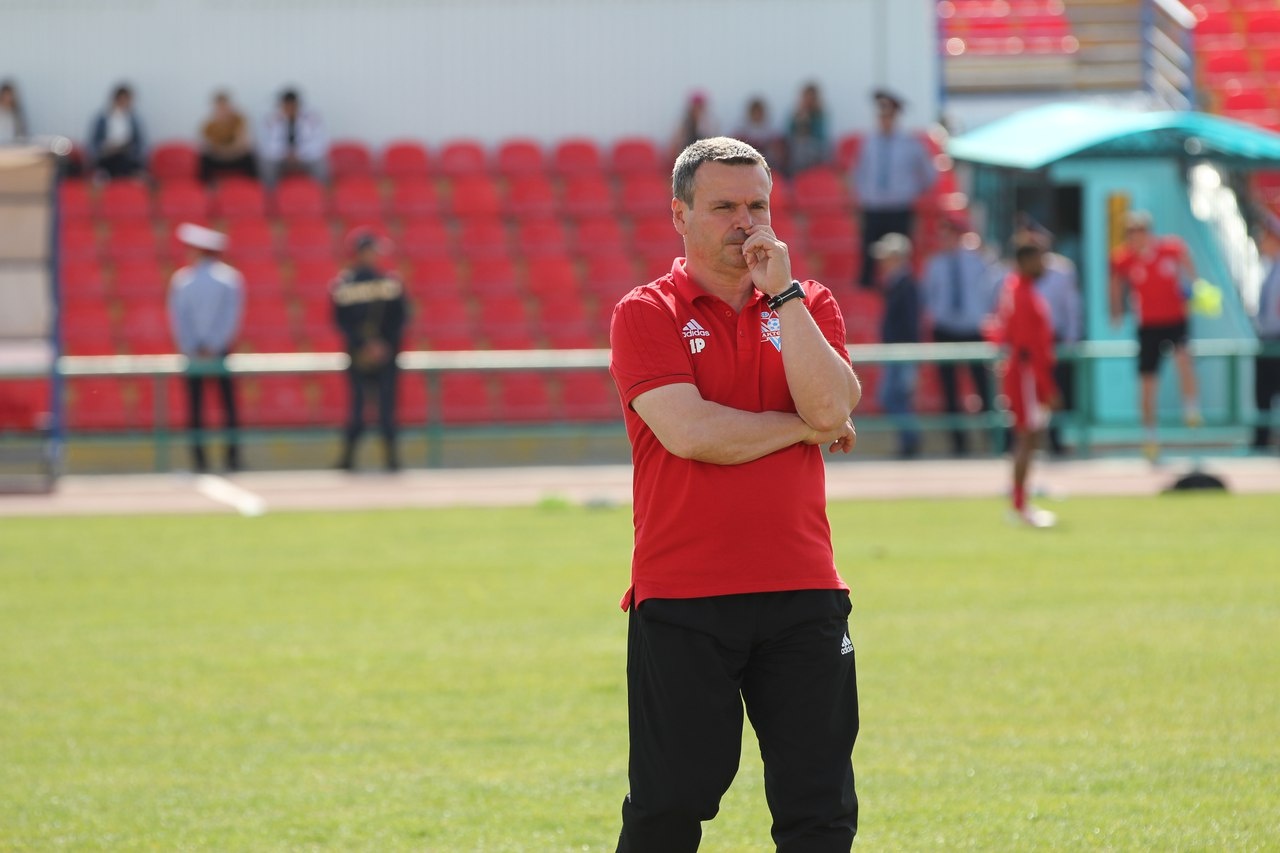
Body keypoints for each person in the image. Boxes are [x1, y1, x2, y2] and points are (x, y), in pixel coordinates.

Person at [609, 136, 861, 851]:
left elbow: (833, 403)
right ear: (679, 215)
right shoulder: (645, 311)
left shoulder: (808, 302)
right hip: (685, 594)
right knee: (669, 806)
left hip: (804, 588)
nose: (746, 223)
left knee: (820, 808)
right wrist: (804, 428)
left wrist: (784, 295)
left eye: (759, 206)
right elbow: (693, 433)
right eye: (724, 207)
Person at [1108, 209, 1202, 462]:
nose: (1135, 237)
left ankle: (1191, 408)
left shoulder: (1170, 248)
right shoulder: (1124, 258)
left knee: (1184, 360)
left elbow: (1188, 264)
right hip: (1148, 326)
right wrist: (1116, 310)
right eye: (1131, 233)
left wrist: (1194, 287)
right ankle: (1150, 437)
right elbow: (1115, 283)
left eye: (1139, 231)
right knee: (1147, 383)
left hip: (1175, 320)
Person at [986, 239, 1060, 528]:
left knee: (1029, 438)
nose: (1043, 264)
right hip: (1027, 374)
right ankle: (1019, 505)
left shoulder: (1017, 289)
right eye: (1038, 258)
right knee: (1026, 438)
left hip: (1025, 372)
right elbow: (1029, 346)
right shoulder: (1021, 292)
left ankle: (1021, 502)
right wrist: (1047, 387)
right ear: (1025, 261)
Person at [167, 223, 244, 473]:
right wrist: (215, 345)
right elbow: (230, 318)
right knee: (227, 407)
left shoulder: (183, 280)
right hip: (219, 351)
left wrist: (193, 346)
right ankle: (232, 459)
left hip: (194, 352)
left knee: (196, 408)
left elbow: (180, 320)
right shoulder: (230, 278)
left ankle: (199, 461)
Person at [332, 228, 408, 472]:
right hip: (359, 357)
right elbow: (341, 322)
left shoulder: (388, 282)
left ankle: (391, 460)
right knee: (357, 409)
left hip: (383, 356)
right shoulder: (345, 283)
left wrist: (382, 346)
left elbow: (400, 320)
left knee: (387, 410)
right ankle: (348, 460)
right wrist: (365, 346)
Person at [921, 213, 997, 456]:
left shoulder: (977, 260)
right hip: (945, 330)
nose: (946, 240)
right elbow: (929, 297)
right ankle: (958, 443)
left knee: (984, 387)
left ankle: (994, 439)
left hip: (972, 329)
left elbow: (992, 289)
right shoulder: (935, 264)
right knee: (949, 390)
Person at [852, 88, 936, 287]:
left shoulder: (910, 143)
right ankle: (868, 294)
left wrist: (911, 191)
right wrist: (864, 195)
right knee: (869, 258)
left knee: (900, 257)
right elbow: (859, 172)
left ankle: (899, 290)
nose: (884, 120)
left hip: (899, 208)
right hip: (873, 208)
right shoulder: (869, 143)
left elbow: (929, 175)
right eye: (882, 115)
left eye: (888, 115)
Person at [1019, 218, 1083, 456]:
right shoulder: (1014, 278)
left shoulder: (1062, 270)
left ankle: (1055, 441)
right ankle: (1027, 446)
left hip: (1054, 342)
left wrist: (1071, 340)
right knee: (1028, 399)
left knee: (1055, 393)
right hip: (1027, 347)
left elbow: (1072, 307)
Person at [872, 232, 922, 458]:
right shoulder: (898, 284)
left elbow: (910, 324)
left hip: (902, 352)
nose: (883, 262)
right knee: (894, 397)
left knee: (894, 396)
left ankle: (910, 439)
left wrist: (909, 353)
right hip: (897, 351)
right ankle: (909, 439)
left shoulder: (905, 285)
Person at [259, 88, 328, 185]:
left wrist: (299, 154)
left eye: (292, 105)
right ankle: (269, 191)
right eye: (286, 106)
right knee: (267, 163)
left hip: (305, 158)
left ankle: (323, 190)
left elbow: (319, 143)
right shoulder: (270, 120)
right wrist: (285, 153)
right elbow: (267, 145)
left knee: (320, 163)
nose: (290, 108)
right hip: (281, 158)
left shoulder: (312, 119)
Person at [1252, 213, 1280, 452]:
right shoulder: (1269, 268)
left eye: (1267, 236)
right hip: (1267, 339)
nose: (1262, 240)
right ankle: (1261, 441)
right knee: (1263, 394)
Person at [88, 83, 146, 179]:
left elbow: (139, 143)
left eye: (126, 100)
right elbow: (94, 142)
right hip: (107, 156)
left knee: (124, 161)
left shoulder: (134, 120)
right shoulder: (102, 119)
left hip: (127, 156)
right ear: (115, 99)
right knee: (109, 164)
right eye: (121, 99)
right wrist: (105, 149)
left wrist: (128, 149)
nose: (123, 103)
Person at [199, 90, 258, 183]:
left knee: (250, 157)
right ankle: (205, 186)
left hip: (236, 157)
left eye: (224, 106)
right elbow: (208, 145)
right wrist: (222, 151)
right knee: (204, 159)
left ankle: (253, 185)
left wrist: (229, 150)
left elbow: (243, 142)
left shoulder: (239, 120)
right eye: (220, 107)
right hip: (219, 158)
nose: (222, 110)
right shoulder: (209, 125)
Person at [786, 81, 831, 175]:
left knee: (805, 147)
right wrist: (799, 122)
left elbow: (820, 135)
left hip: (815, 147)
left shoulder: (820, 115)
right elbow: (789, 132)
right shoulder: (796, 113)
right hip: (797, 146)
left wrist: (809, 123)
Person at [733, 96, 785, 169]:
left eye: (759, 112)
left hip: (768, 165)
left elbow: (779, 155)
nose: (757, 115)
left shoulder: (772, 132)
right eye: (755, 112)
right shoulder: (741, 131)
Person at [669, 90, 718, 161]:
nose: (697, 110)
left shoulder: (709, 123)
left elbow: (713, 143)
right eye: (695, 107)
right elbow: (676, 144)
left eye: (699, 107)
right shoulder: (684, 124)